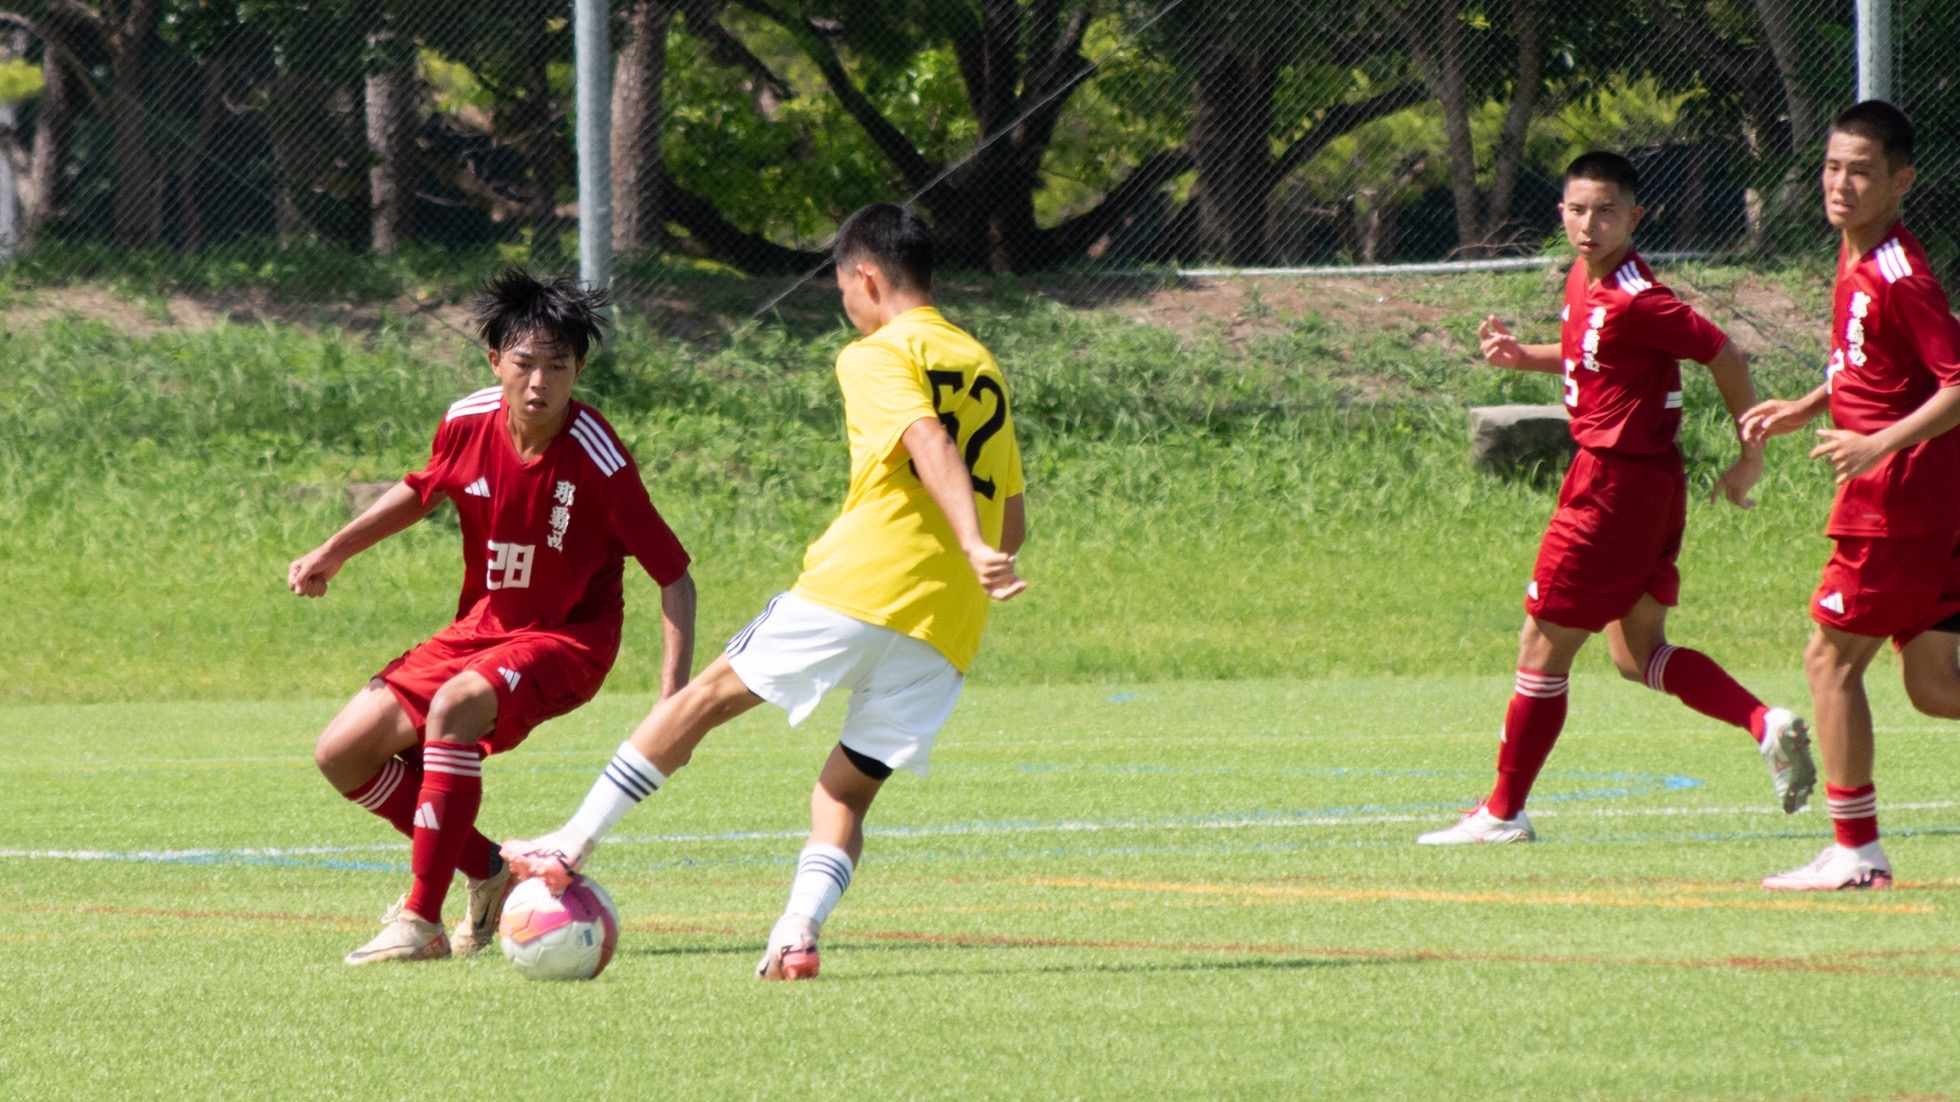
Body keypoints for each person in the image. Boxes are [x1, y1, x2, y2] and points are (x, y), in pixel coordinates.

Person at [501, 203, 1027, 980]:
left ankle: (570, 843)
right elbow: (1013, 516)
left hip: (861, 584)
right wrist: (981, 553)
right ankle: (796, 933)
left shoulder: (877, 353)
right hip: (946, 623)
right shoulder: (981, 362)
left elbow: (927, 439)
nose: (845, 307)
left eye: (842, 291)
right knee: (844, 794)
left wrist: (973, 541)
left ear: (867, 278)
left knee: (701, 701)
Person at [289, 270, 696, 963]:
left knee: (454, 707)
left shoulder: (598, 457)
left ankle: (419, 922)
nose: (539, 383)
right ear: (494, 362)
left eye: (558, 366)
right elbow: (424, 489)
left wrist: (672, 700)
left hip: (568, 639)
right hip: (478, 631)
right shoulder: (468, 420)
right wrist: (335, 550)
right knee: (343, 753)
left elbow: (675, 576)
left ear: (579, 371)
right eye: (525, 363)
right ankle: (490, 870)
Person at [1419, 151, 1814, 845]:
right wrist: (1524, 355)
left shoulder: (1639, 298)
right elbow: (1590, 351)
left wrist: (1749, 453)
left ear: (1633, 218)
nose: (1589, 224)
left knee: (1541, 644)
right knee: (1637, 655)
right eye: (1577, 210)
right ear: (1561, 214)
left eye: (1605, 212)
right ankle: (1765, 724)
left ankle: (1503, 813)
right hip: (1648, 486)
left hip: (1611, 488)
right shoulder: (1587, 277)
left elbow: (1725, 354)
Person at [1740, 101, 1960, 891]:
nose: (1841, 183)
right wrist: (1810, 406)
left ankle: (1857, 852)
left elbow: (1957, 382)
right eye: (1833, 167)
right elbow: (1871, 365)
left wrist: (1877, 443)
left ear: (1901, 181)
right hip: (1925, 500)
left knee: (1829, 660)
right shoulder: (1856, 252)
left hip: (1897, 501)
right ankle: (1855, 851)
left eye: (1861, 170)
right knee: (1935, 688)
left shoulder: (1900, 275)